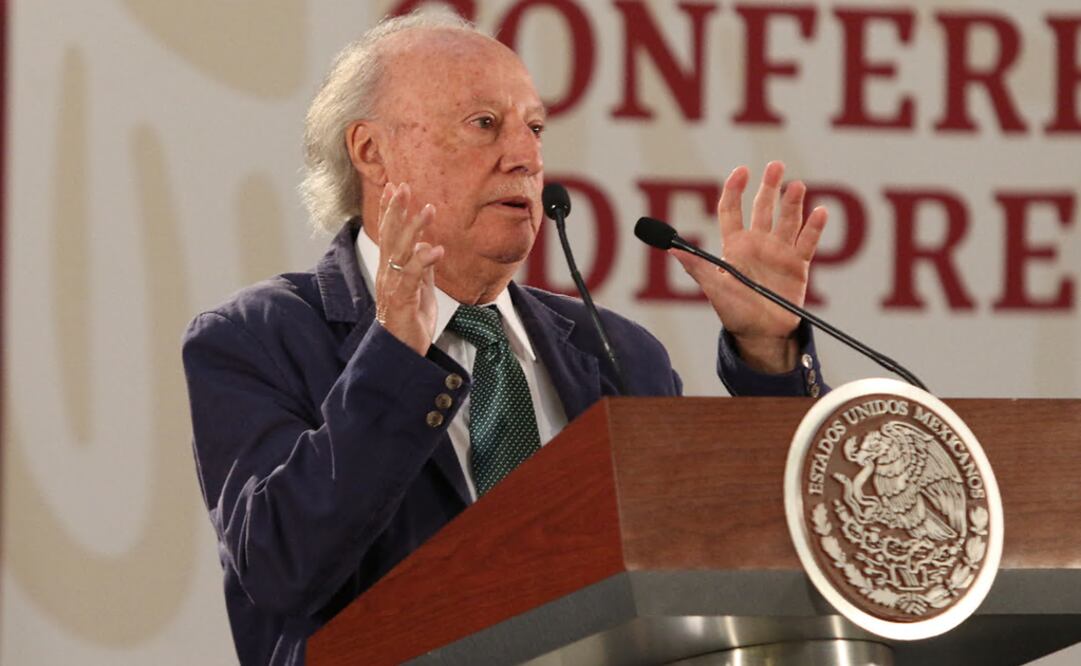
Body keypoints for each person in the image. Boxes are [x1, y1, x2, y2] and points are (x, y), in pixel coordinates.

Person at [181, 10, 828, 666]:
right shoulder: (254, 339)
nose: (524, 157)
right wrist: (396, 356)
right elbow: (281, 566)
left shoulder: (619, 354)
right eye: (483, 124)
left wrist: (766, 354)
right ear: (371, 151)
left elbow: (738, 558)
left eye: (535, 129)